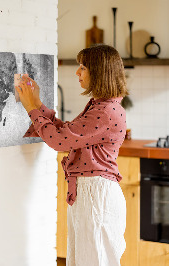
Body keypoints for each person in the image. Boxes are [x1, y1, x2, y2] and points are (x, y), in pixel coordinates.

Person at [16, 44, 128, 266]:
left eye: (83, 67)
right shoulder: (101, 106)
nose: (77, 72)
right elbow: (67, 133)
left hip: (96, 195)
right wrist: (37, 103)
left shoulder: (105, 111)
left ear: (99, 72)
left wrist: (31, 108)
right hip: (91, 193)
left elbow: (59, 141)